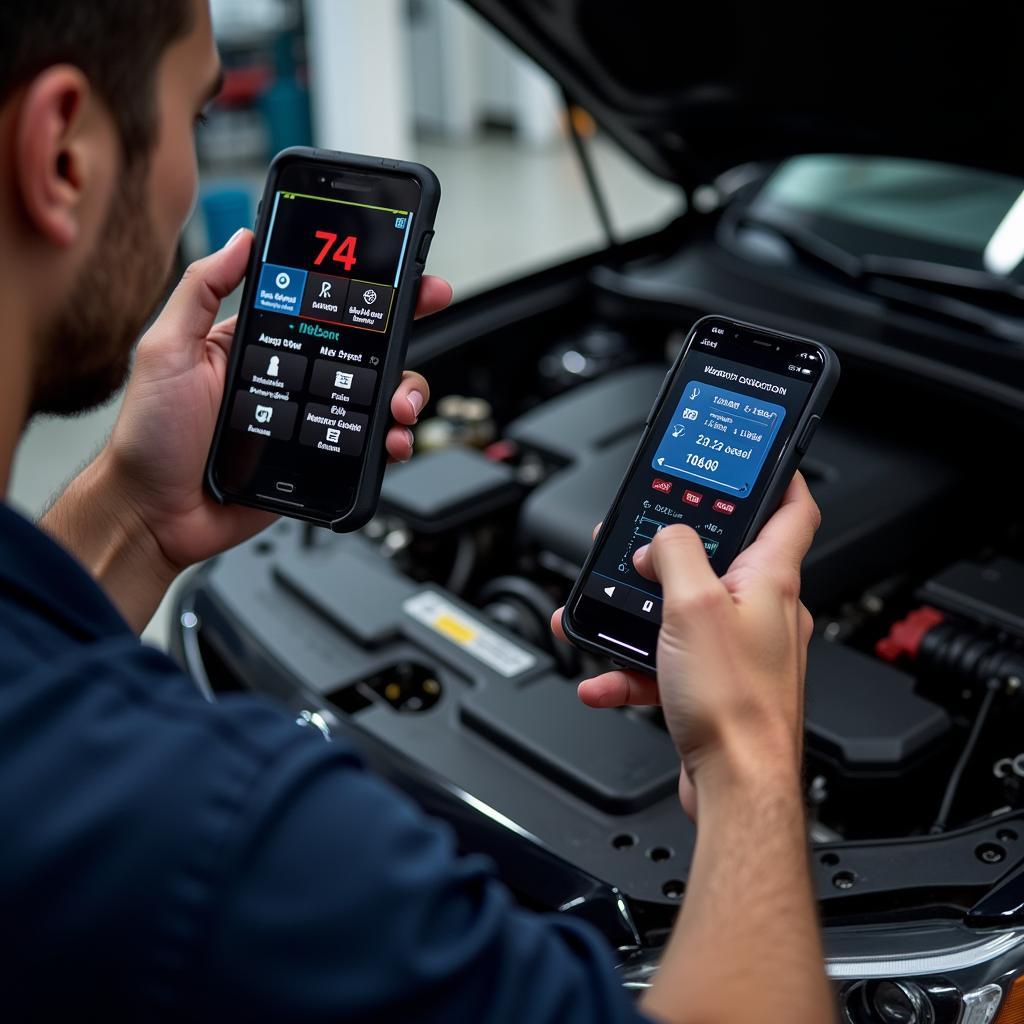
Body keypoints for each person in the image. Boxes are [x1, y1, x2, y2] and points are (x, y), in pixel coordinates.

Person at [0, 2, 833, 1021]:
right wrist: (752, 762)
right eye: (195, 106)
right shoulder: (226, 841)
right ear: (64, 152)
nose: (186, 174)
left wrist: (133, 517)